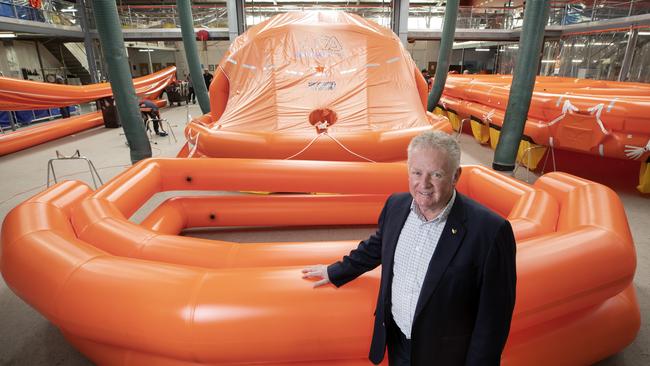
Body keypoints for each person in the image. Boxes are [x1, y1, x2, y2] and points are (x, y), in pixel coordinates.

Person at [302, 131, 517, 365]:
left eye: (436, 174)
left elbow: (493, 319)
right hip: (398, 342)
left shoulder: (490, 231)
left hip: (447, 355)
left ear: (455, 176)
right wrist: (334, 271)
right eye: (416, 173)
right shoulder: (396, 205)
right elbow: (376, 246)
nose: (423, 184)